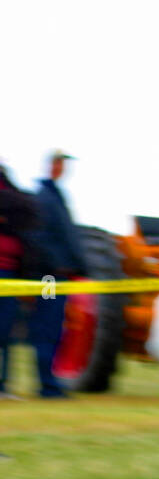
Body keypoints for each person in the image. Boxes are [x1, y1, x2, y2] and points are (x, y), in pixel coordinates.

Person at [26, 151, 88, 398]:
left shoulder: (55, 196)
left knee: (54, 328)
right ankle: (46, 384)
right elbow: (38, 237)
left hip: (56, 275)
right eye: (61, 163)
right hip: (49, 276)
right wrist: (58, 264)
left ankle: (50, 382)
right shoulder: (45, 197)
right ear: (52, 165)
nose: (63, 168)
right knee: (47, 327)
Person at [0, 163, 41, 400]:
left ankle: (4, 385)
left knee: (6, 332)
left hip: (15, 275)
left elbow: (28, 215)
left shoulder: (17, 197)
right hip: (14, 275)